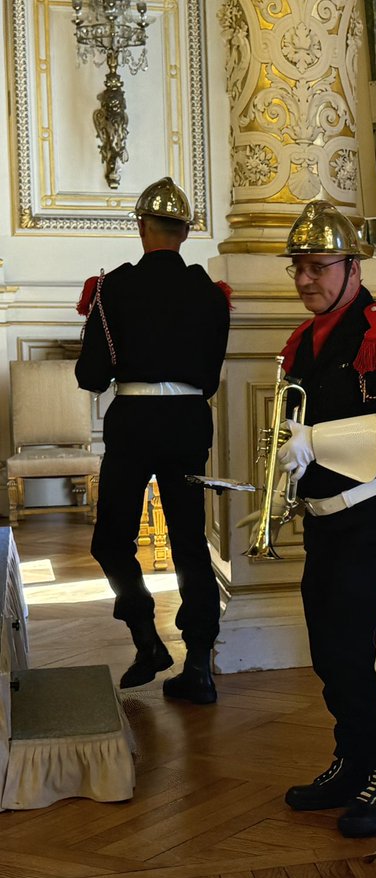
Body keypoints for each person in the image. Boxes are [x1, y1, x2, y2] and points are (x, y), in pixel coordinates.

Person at [274, 200, 376, 839]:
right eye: (298, 268)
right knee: (330, 653)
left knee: (365, 655)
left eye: (317, 266)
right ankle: (352, 755)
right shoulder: (304, 341)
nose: (306, 279)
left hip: (372, 521)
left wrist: (316, 441)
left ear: (352, 266)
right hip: (323, 520)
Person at [75, 176, 230, 705]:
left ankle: (146, 640)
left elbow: (92, 376)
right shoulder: (209, 293)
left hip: (135, 424)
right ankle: (200, 666)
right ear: (184, 233)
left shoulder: (112, 287)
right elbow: (210, 376)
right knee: (190, 544)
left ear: (142, 229)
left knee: (111, 541)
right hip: (188, 420)